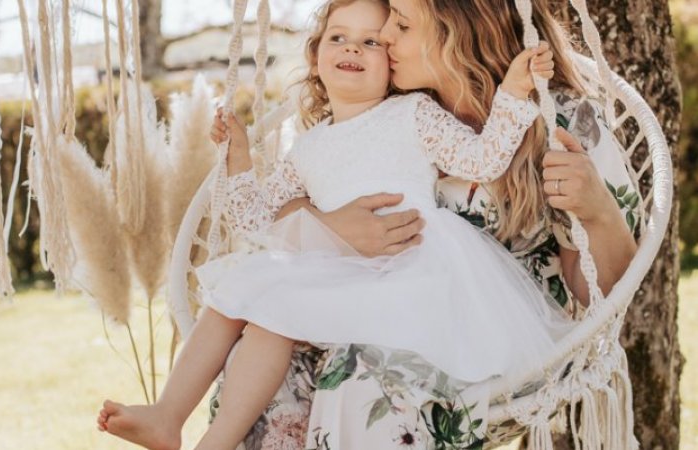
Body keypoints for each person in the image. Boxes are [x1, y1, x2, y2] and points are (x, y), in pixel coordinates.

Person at [95, 0, 570, 449]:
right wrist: (238, 158)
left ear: (392, 66)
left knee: (272, 308)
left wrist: (514, 91)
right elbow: (256, 219)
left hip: (412, 265)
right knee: (255, 309)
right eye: (339, 37)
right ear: (316, 55)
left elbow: (483, 159)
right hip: (337, 266)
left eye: (370, 42)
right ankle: (176, 420)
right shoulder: (306, 148)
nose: (352, 49)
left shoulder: (413, 114)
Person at [205, 0, 640, 448]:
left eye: (402, 22)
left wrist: (598, 211)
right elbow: (288, 205)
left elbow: (601, 295)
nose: (386, 34)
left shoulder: (560, 118)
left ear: (459, 29)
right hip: (359, 300)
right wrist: (331, 226)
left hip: (484, 336)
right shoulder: (388, 102)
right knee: (259, 362)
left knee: (362, 374)